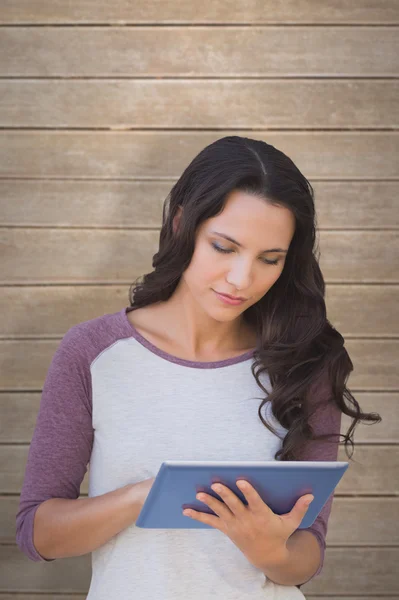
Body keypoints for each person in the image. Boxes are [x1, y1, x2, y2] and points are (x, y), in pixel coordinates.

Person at [16, 135, 381, 599]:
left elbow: (307, 555)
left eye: (270, 259)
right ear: (181, 224)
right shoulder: (92, 353)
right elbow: (37, 533)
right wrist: (145, 497)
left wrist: (269, 550)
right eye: (224, 247)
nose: (242, 279)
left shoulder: (304, 363)